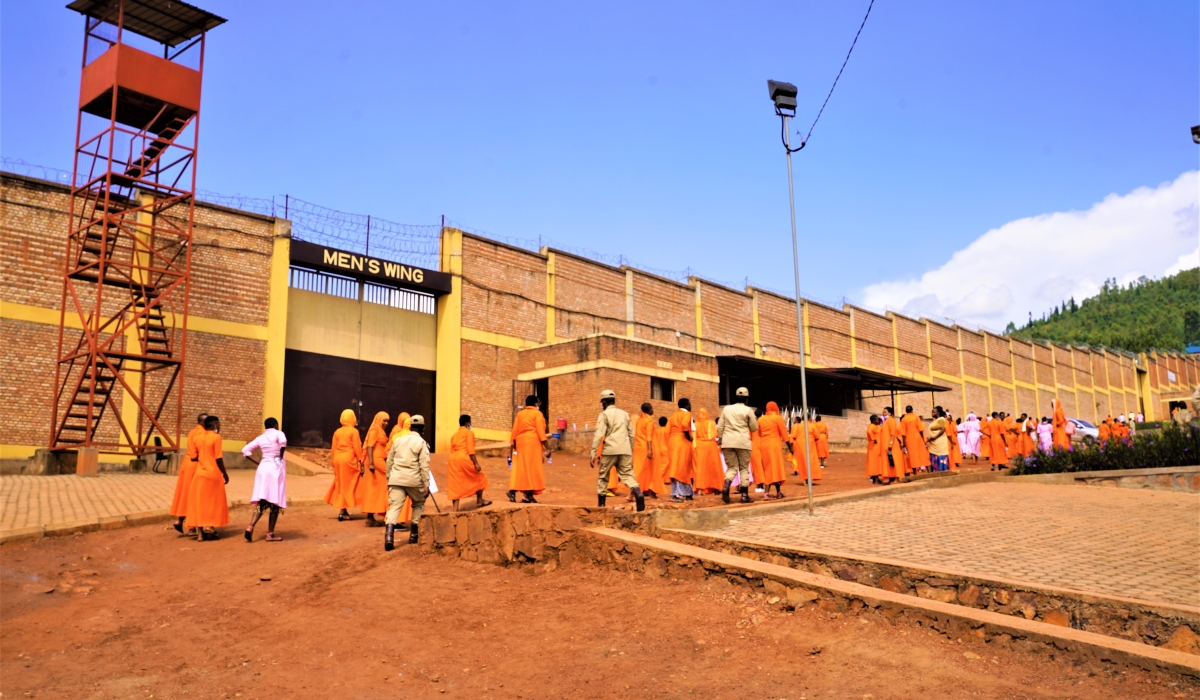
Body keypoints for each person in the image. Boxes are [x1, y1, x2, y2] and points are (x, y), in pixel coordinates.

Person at [591, 390, 644, 511]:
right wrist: (629, 450)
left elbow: (599, 434)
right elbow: (631, 434)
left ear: (604, 402)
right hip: (625, 449)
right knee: (628, 475)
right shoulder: (625, 414)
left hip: (610, 449)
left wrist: (593, 452)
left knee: (603, 476)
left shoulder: (604, 415)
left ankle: (602, 505)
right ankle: (638, 493)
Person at [384, 414, 431, 550]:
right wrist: (426, 483)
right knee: (418, 503)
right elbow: (424, 465)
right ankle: (414, 536)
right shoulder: (421, 443)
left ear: (410, 427)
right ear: (422, 428)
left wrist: (389, 478)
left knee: (394, 507)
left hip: (396, 479)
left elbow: (389, 461)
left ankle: (389, 538)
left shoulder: (398, 440)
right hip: (414, 481)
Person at [242, 417, 288, 542]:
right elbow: (283, 442)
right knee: (275, 504)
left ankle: (250, 526)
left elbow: (245, 450)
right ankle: (270, 534)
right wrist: (280, 455)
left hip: (262, 469)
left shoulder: (260, 438)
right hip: (275, 469)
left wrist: (258, 462)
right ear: (276, 425)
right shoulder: (279, 433)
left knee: (262, 502)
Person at [185, 415, 229, 541]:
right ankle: (210, 526)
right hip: (213, 474)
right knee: (212, 502)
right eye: (219, 424)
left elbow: (193, 457)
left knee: (198, 503)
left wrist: (203, 456)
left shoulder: (197, 438)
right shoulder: (216, 437)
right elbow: (218, 458)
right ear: (214, 425)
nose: (219, 427)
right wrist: (225, 473)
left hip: (199, 474)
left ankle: (199, 534)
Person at [716, 387, 758, 504]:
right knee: (744, 468)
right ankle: (744, 496)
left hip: (728, 442)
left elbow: (720, 427)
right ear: (746, 399)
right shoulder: (748, 410)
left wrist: (720, 440)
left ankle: (726, 486)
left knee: (732, 468)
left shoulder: (726, 409)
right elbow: (754, 428)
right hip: (743, 442)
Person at [171, 412, 207, 534]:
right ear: (202, 422)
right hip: (196, 464)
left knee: (185, 493)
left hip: (186, 464)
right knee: (195, 495)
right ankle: (193, 525)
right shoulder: (203, 433)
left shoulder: (192, 432)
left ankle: (180, 521)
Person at [324, 408, 363, 521]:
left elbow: (333, 448)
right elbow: (357, 447)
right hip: (348, 460)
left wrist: (333, 463)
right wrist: (360, 460)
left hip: (338, 459)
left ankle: (343, 511)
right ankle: (343, 509)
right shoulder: (353, 431)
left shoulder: (337, 431)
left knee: (341, 484)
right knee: (351, 484)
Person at [447, 414, 491, 512]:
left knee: (455, 484)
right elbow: (471, 450)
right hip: (464, 458)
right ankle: (479, 500)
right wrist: (476, 463)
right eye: (470, 422)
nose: (471, 424)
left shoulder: (454, 436)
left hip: (453, 460)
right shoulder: (469, 433)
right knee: (480, 476)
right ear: (467, 423)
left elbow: (452, 449)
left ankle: (455, 510)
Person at [509, 395, 549, 503]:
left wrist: (513, 446)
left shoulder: (520, 414)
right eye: (539, 403)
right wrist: (548, 447)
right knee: (532, 468)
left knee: (524, 468)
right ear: (536, 403)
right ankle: (526, 495)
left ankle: (529, 494)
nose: (539, 405)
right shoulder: (537, 414)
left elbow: (514, 432)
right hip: (532, 443)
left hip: (520, 443)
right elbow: (541, 432)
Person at [358, 411, 390, 527]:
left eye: (387, 421)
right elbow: (370, 447)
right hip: (376, 461)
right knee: (388, 482)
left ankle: (372, 516)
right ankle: (385, 513)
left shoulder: (380, 430)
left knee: (376, 487)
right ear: (378, 420)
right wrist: (371, 463)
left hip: (378, 460)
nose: (386, 423)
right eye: (384, 420)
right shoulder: (375, 430)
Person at [757, 402, 789, 499]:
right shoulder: (777, 418)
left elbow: (759, 433)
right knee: (775, 467)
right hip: (774, 445)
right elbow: (784, 433)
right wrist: (790, 447)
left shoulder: (761, 419)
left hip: (764, 445)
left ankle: (778, 492)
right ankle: (766, 493)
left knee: (769, 467)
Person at [666, 398, 695, 502]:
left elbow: (667, 430)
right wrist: (688, 437)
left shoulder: (673, 415)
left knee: (677, 466)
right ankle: (675, 494)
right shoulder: (687, 414)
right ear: (687, 405)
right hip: (682, 442)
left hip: (672, 442)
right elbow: (684, 425)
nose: (691, 406)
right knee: (682, 467)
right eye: (690, 404)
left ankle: (688, 493)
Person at [692, 407, 724, 494]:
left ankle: (700, 489)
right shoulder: (711, 423)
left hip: (699, 447)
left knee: (700, 468)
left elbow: (693, 437)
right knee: (713, 467)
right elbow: (715, 435)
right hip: (711, 446)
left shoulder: (695, 424)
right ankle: (716, 487)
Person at [632, 403, 660, 498]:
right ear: (649, 409)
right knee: (644, 469)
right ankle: (631, 494)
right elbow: (648, 436)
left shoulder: (639, 420)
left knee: (641, 469)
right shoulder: (649, 421)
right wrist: (650, 449)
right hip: (646, 447)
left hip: (638, 447)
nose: (653, 410)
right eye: (652, 408)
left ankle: (648, 490)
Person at [789, 413, 822, 485]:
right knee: (811, 461)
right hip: (810, 445)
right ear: (809, 418)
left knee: (803, 462)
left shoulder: (798, 426)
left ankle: (805, 479)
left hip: (800, 446)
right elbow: (817, 437)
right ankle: (809, 478)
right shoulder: (812, 426)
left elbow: (793, 436)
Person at [900, 406, 930, 473]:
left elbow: (903, 434)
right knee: (922, 453)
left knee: (911, 455)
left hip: (909, 439)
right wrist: (923, 440)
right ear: (912, 410)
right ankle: (929, 471)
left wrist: (904, 443)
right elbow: (921, 430)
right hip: (918, 438)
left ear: (906, 411)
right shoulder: (916, 417)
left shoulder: (904, 419)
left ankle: (915, 473)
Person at [880, 406, 904, 482]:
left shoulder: (891, 420)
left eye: (885, 412)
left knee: (894, 460)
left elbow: (893, 433)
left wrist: (890, 443)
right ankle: (891, 476)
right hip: (886, 444)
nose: (883, 413)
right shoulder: (886, 421)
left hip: (891, 444)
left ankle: (898, 477)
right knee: (889, 461)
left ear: (890, 413)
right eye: (883, 412)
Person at [926, 408, 951, 472]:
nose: (932, 413)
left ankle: (942, 471)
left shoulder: (941, 419)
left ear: (938, 412)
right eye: (932, 412)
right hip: (933, 443)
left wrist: (934, 437)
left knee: (941, 455)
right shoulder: (934, 421)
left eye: (934, 412)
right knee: (934, 456)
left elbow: (943, 429)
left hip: (940, 442)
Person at [652, 416, 671, 494]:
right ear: (667, 423)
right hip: (665, 449)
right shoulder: (667, 431)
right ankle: (658, 479)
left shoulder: (657, 431)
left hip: (657, 449)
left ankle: (666, 479)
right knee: (664, 465)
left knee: (660, 464)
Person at [865, 415, 885, 483]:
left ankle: (876, 476)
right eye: (876, 419)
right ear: (873, 420)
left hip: (878, 447)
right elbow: (869, 431)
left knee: (877, 461)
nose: (878, 420)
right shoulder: (871, 426)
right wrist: (874, 439)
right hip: (874, 446)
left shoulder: (877, 426)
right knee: (874, 461)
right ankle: (874, 476)